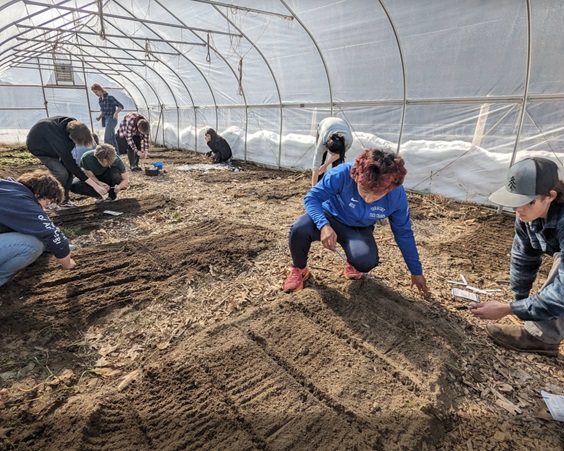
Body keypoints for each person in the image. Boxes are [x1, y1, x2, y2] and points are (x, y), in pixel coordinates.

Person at [283, 148, 429, 295]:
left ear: (390, 188)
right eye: (365, 191)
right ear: (357, 176)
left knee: (365, 261)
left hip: (358, 229)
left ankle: (352, 264)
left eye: (377, 195)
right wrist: (323, 225)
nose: (368, 199)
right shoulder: (341, 174)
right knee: (299, 229)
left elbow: (403, 233)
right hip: (330, 216)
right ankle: (299, 269)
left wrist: (416, 271)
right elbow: (312, 198)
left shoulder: (396, 196)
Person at [471, 157, 564, 357]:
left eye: (525, 202)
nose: (517, 209)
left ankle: (542, 338)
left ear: (550, 196)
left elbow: (562, 293)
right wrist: (520, 301)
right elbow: (523, 256)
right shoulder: (526, 215)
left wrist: (508, 309)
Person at [0, 170, 76, 287]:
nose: (45, 209)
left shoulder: (8, 189)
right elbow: (51, 233)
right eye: (49, 203)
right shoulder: (23, 201)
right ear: (39, 194)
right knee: (33, 244)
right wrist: (68, 264)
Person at [26, 116, 108, 208]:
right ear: (71, 138)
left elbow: (71, 166)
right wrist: (95, 186)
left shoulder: (75, 126)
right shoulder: (61, 141)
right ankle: (49, 199)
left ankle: (64, 200)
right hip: (39, 147)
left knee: (69, 173)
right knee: (61, 173)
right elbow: (71, 164)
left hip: (51, 141)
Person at [311, 117, 354, 187]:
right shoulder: (322, 142)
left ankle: (336, 185)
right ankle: (319, 185)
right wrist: (313, 189)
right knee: (320, 163)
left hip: (342, 124)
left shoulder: (348, 141)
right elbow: (315, 166)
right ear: (327, 148)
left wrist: (325, 165)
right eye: (331, 153)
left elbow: (338, 155)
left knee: (338, 164)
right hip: (324, 124)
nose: (332, 155)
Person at [91, 83, 124, 152]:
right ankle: (116, 154)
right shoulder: (100, 99)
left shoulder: (110, 97)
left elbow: (121, 106)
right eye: (94, 93)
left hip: (112, 119)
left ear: (99, 89)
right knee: (112, 138)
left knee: (107, 138)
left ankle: (110, 153)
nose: (96, 94)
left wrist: (116, 113)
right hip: (105, 119)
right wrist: (100, 117)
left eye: (96, 92)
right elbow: (103, 110)